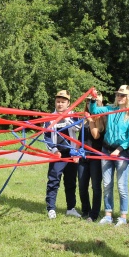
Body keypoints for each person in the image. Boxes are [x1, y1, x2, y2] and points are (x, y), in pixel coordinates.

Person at [89, 85, 129, 226]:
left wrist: (119, 149)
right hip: (106, 150)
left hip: (121, 153)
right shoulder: (110, 109)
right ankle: (108, 215)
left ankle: (123, 217)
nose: (119, 97)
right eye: (118, 94)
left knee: (122, 186)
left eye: (123, 95)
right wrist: (93, 99)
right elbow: (94, 111)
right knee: (107, 184)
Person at [44, 90, 81, 219]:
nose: (60, 104)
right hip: (57, 154)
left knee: (71, 182)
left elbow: (78, 128)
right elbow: (47, 137)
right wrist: (54, 150)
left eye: (63, 102)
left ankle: (71, 208)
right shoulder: (49, 118)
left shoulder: (74, 115)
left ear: (68, 103)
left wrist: (67, 118)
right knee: (53, 181)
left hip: (71, 153)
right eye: (58, 101)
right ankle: (51, 208)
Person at [78, 93, 105, 222]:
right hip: (83, 157)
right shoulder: (84, 119)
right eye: (88, 102)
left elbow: (96, 136)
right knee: (82, 185)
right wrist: (77, 152)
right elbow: (80, 138)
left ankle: (94, 214)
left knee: (95, 186)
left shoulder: (102, 119)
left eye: (92, 102)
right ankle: (85, 210)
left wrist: (90, 120)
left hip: (95, 157)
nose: (89, 104)